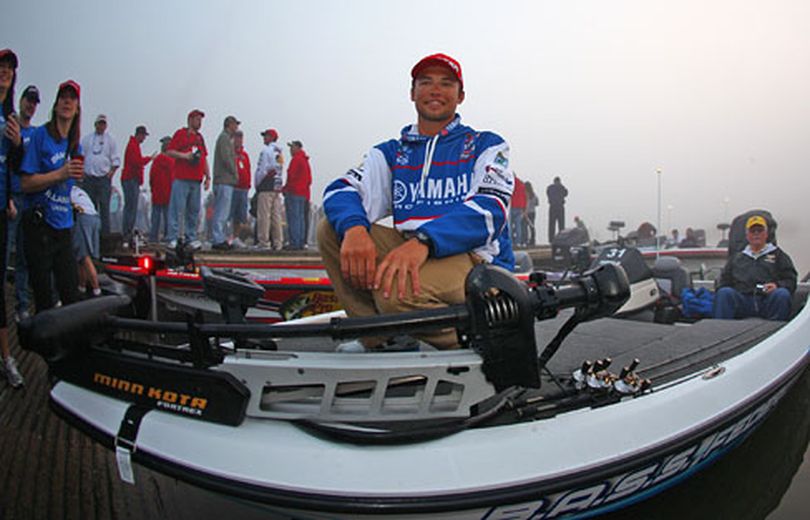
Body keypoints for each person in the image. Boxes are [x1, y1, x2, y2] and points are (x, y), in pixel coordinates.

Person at [319, 53, 514, 350]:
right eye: (426, 82)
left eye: (446, 83)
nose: (436, 90)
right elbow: (340, 189)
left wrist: (424, 241)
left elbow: (491, 209)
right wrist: (354, 229)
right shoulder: (392, 152)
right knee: (330, 230)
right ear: (412, 93)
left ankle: (492, 345)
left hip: (478, 261)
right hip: (414, 252)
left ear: (460, 96)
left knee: (395, 292)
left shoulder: (486, 144)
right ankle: (382, 340)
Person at [19, 79, 83, 314]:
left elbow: (69, 186)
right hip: (40, 228)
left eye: (72, 98)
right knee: (45, 301)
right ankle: (47, 350)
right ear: (56, 105)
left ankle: (72, 349)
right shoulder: (40, 136)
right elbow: (25, 183)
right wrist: (60, 174)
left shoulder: (76, 146)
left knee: (71, 297)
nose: (67, 101)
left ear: (77, 108)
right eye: (63, 97)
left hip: (64, 228)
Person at [714, 215, 797, 321]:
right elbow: (724, 282)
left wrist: (777, 285)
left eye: (760, 230)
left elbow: (791, 280)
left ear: (766, 234)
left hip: (767, 301)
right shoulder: (736, 258)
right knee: (724, 293)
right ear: (747, 235)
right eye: (753, 231)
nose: (756, 234)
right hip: (742, 301)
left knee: (782, 294)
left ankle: (776, 333)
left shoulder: (779, 256)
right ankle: (722, 332)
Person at [0, 48, 24, 387]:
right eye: (1, 66)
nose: (5, 71)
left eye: (9, 68)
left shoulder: (11, 117)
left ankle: (6, 356)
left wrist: (18, 145)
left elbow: (13, 165)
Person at [7, 84, 40, 324]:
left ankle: (22, 306)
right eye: (28, 100)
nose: (31, 104)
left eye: (35, 101)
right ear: (21, 101)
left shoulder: (37, 135)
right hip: (10, 199)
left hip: (29, 203)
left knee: (24, 259)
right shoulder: (10, 127)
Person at [165, 109, 210, 249]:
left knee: (193, 210)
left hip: (196, 179)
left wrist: (208, 176)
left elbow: (204, 157)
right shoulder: (180, 134)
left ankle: (191, 237)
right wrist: (185, 156)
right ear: (190, 120)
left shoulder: (200, 138)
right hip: (182, 178)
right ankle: (172, 237)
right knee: (177, 209)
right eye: (197, 119)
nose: (200, 122)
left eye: (201, 120)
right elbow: (169, 151)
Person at [80, 113, 120, 236]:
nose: (101, 126)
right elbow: (80, 157)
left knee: (104, 208)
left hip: (103, 179)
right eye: (99, 123)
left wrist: (111, 173)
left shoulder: (111, 140)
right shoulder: (86, 140)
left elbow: (116, 160)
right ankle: (91, 233)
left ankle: (105, 235)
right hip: (89, 179)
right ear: (95, 124)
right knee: (90, 208)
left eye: (104, 124)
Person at [121, 125, 154, 244]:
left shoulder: (133, 145)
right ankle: (127, 232)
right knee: (131, 207)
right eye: (144, 136)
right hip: (130, 179)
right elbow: (137, 162)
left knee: (130, 207)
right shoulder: (133, 146)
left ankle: (127, 231)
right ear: (139, 134)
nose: (144, 138)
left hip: (130, 179)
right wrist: (149, 159)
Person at [211, 115, 240, 250]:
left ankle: (220, 237)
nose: (237, 127)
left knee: (223, 211)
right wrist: (234, 172)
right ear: (229, 124)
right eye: (235, 124)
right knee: (221, 212)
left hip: (225, 180)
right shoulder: (224, 138)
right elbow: (226, 158)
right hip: (224, 180)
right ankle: (218, 238)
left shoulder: (227, 139)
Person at [254, 128, 284, 250]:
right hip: (276, 185)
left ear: (271, 137)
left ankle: (264, 242)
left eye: (266, 136)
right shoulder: (280, 153)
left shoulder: (266, 151)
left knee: (264, 215)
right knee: (276, 216)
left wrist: (257, 184)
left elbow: (262, 170)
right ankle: (278, 242)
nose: (264, 138)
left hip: (266, 185)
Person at [70, 185, 101, 296]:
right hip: (94, 218)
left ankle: (96, 290)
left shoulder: (67, 191)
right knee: (81, 257)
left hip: (84, 218)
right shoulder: (80, 191)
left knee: (84, 256)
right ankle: (81, 287)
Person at [283, 140, 312, 249]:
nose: (290, 150)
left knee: (294, 218)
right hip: (303, 193)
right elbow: (309, 179)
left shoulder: (296, 160)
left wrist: (286, 189)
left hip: (294, 192)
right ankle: (299, 242)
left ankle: (294, 242)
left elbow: (291, 176)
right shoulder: (305, 160)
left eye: (292, 147)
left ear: (298, 147)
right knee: (300, 219)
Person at [148, 136, 173, 243]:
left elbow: (151, 177)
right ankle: (168, 236)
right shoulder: (172, 161)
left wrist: (152, 188)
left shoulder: (157, 160)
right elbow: (174, 178)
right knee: (168, 217)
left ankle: (153, 237)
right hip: (168, 193)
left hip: (157, 193)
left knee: (156, 217)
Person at [231, 130, 251, 248]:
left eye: (241, 138)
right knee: (231, 214)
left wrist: (248, 185)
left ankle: (236, 237)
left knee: (240, 216)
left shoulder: (245, 155)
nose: (239, 140)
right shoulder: (230, 153)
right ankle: (228, 236)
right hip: (234, 187)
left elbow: (248, 169)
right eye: (237, 138)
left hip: (243, 188)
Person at [546, 176, 568, 242]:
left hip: (552, 207)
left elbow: (547, 193)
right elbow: (566, 193)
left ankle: (551, 239)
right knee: (561, 224)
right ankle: (561, 239)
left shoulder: (550, 188)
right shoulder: (562, 187)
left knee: (551, 224)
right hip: (560, 207)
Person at [510, 175, 526, 248]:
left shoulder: (510, 182)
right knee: (518, 225)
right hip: (520, 207)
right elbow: (524, 196)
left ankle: (510, 242)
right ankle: (518, 242)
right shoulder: (522, 184)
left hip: (512, 206)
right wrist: (524, 208)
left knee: (510, 225)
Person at [525, 181, 538, 246]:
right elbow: (537, 203)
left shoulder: (526, 194)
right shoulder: (534, 194)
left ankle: (528, 240)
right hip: (533, 212)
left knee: (526, 227)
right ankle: (533, 240)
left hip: (527, 212)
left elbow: (526, 204)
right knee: (532, 227)